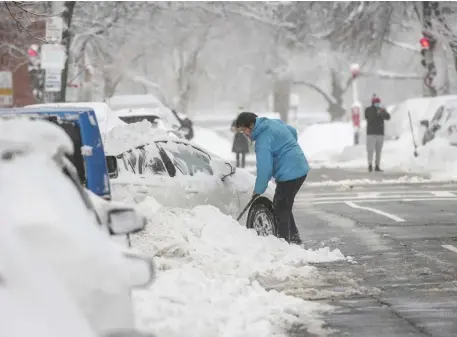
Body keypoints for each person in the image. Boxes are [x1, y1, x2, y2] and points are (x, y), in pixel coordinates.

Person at [235, 112, 310, 245]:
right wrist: (288, 147)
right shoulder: (271, 123)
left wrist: (258, 189)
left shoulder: (262, 141)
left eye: (243, 130)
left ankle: (284, 243)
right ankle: (294, 238)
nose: (244, 134)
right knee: (282, 204)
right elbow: (292, 131)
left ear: (251, 125)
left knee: (281, 208)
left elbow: (265, 168)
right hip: (299, 166)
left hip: (290, 173)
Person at [365, 94, 391, 172]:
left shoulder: (382, 109)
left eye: (378, 102)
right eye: (376, 102)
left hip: (380, 133)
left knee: (378, 150)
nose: (377, 104)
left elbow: (388, 117)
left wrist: (382, 112)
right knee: (370, 150)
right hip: (371, 133)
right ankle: (370, 164)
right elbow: (367, 117)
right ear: (372, 103)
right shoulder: (368, 110)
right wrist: (376, 112)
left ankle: (377, 165)